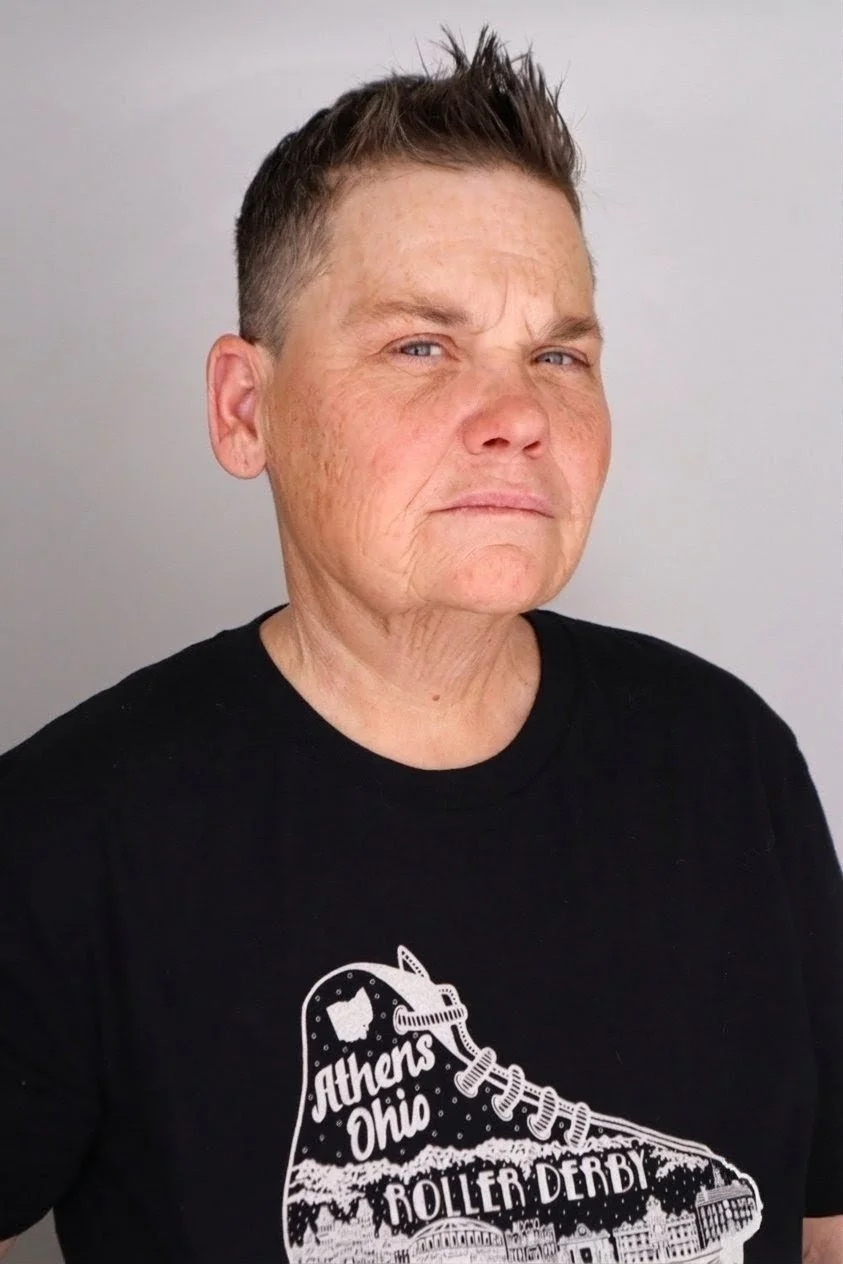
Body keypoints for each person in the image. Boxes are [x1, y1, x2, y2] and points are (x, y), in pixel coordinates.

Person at [0, 23, 840, 1264]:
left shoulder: (729, 759)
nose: (520, 415)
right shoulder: (62, 837)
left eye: (559, 353)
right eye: (421, 346)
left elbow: (824, 1224)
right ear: (246, 408)